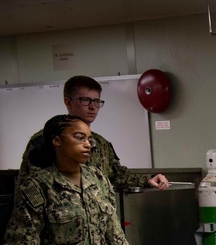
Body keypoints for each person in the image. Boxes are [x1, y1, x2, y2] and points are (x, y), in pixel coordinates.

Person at [3, 114, 139, 245]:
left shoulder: (97, 178)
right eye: (79, 137)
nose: (87, 144)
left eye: (89, 139)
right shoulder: (38, 185)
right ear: (57, 140)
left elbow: (113, 230)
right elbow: (21, 243)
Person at [18, 75, 168, 191]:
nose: (93, 107)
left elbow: (118, 175)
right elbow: (28, 186)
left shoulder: (100, 143)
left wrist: (149, 180)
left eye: (97, 101)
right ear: (68, 102)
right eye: (85, 100)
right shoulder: (47, 139)